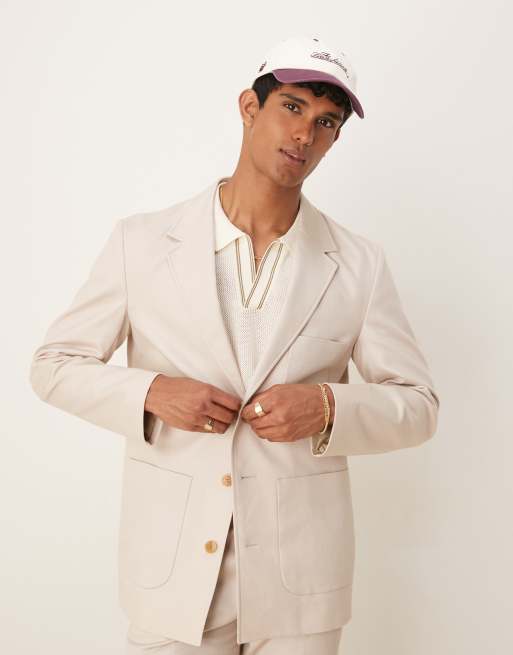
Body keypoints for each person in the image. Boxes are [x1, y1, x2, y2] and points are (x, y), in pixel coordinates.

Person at [29, 34, 440, 654]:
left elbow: (418, 405)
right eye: (293, 107)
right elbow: (54, 365)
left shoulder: (359, 264)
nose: (305, 134)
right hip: (173, 574)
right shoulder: (142, 243)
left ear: (335, 140)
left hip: (300, 581)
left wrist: (328, 406)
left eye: (326, 122)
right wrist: (152, 393)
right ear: (250, 107)